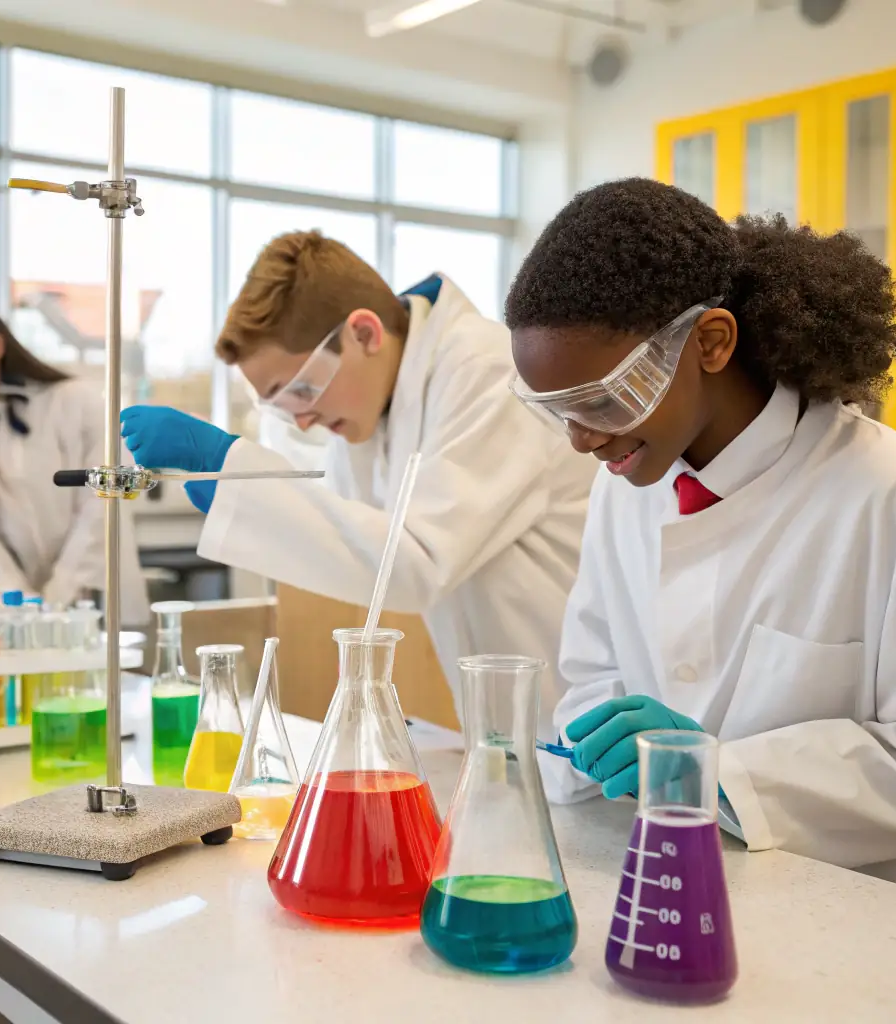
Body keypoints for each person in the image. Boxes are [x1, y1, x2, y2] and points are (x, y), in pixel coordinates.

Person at [505, 177, 896, 899]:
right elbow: (593, 680)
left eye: (604, 399)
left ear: (709, 342)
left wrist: (719, 773)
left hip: (854, 929)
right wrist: (599, 744)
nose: (580, 440)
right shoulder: (623, 486)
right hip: (666, 891)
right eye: (559, 411)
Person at [120, 231, 594, 749]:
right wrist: (238, 488)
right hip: (519, 730)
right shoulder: (374, 406)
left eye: (301, 390)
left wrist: (230, 466)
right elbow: (353, 538)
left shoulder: (484, 371)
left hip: (585, 711)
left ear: (365, 333)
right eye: (280, 407)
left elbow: (412, 562)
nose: (302, 421)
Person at [0, 302, 148, 624]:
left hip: (96, 599)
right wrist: (21, 600)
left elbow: (105, 503)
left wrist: (60, 594)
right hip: (16, 616)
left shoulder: (76, 401)